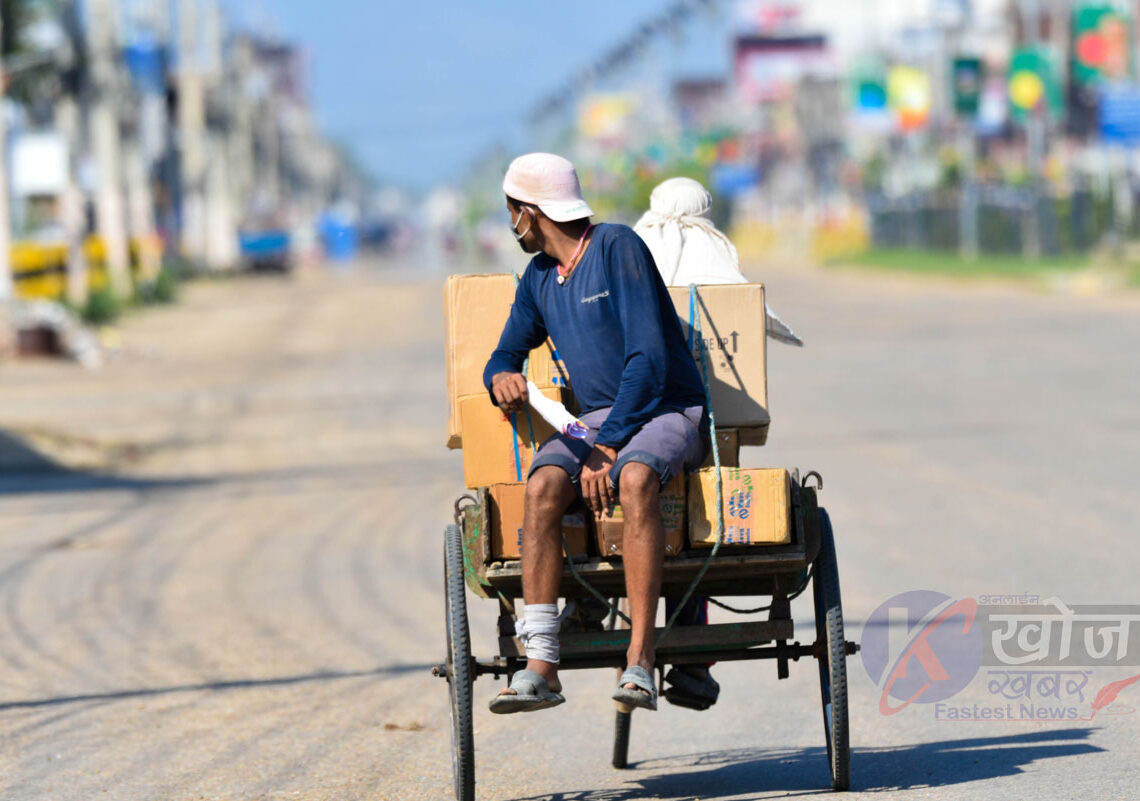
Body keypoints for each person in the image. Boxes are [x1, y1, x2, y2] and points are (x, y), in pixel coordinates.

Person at [483, 153, 709, 714]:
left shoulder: (616, 248)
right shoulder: (539, 279)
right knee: (540, 491)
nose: (513, 225)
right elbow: (502, 355)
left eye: (513, 213)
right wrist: (501, 378)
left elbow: (649, 360)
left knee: (633, 479)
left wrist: (608, 447)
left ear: (530, 214)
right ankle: (541, 666)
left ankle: (640, 661)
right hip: (598, 421)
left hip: (666, 407)